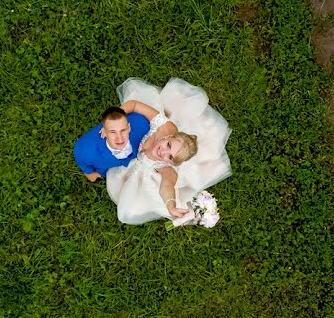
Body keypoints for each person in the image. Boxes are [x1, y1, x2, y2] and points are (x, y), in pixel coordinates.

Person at [106, 78, 232, 225]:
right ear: (169, 136)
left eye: (170, 157)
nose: (163, 153)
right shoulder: (162, 126)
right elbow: (135, 105)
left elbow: (167, 186)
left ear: (172, 162)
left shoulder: (167, 168)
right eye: (168, 145)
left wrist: (170, 205)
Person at [73, 106, 150, 182]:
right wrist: (91, 173)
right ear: (104, 132)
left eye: (123, 130)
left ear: (129, 128)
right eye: (113, 132)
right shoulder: (84, 151)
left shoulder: (142, 126)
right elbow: (86, 168)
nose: (119, 139)